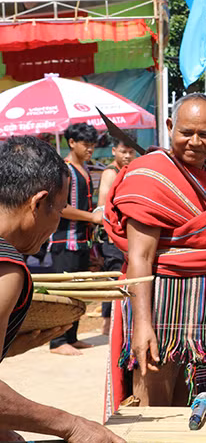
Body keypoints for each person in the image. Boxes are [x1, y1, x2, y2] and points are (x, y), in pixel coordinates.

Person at [104, 93, 206, 407]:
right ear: (171, 126)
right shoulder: (149, 175)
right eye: (187, 132)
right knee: (153, 405)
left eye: (205, 134)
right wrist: (142, 326)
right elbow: (140, 257)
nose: (195, 141)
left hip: (203, 314)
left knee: (197, 406)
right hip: (159, 310)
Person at [0, 135, 124, 443]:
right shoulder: (7, 269)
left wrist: (8, 348)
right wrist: (72, 425)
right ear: (39, 203)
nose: (58, 219)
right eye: (60, 208)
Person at [49, 122, 102, 356]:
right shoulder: (65, 169)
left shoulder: (84, 168)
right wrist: (93, 217)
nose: (90, 149)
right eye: (86, 144)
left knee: (78, 291)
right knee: (64, 293)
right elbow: (61, 208)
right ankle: (57, 341)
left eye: (92, 145)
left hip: (82, 240)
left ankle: (72, 336)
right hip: (64, 240)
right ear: (72, 142)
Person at [93, 131, 137, 335]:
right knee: (114, 276)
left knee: (125, 276)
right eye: (123, 151)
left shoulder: (132, 170)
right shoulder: (111, 172)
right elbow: (103, 206)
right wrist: (111, 231)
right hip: (113, 235)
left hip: (129, 234)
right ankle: (107, 321)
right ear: (114, 151)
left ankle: (121, 318)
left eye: (130, 151)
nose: (127, 155)